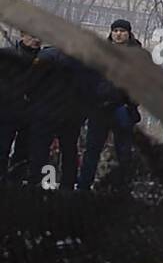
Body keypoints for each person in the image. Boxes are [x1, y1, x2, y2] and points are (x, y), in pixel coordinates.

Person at [77, 19, 143, 190]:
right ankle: (83, 186)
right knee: (92, 150)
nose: (118, 34)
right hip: (99, 108)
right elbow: (89, 78)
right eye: (115, 31)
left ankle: (122, 189)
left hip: (122, 108)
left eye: (122, 31)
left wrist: (131, 104)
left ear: (129, 33)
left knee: (124, 153)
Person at [27, 45, 94, 189]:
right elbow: (87, 90)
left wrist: (36, 104)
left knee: (40, 150)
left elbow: (32, 83)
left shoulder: (46, 56)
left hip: (46, 111)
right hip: (71, 114)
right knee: (69, 151)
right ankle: (67, 186)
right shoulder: (84, 61)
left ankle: (37, 183)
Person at [1, 32, 40, 182]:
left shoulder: (45, 58)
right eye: (32, 36)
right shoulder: (8, 55)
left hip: (31, 113)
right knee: (2, 148)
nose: (36, 39)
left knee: (23, 154)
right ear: (23, 35)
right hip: (7, 111)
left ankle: (15, 183)